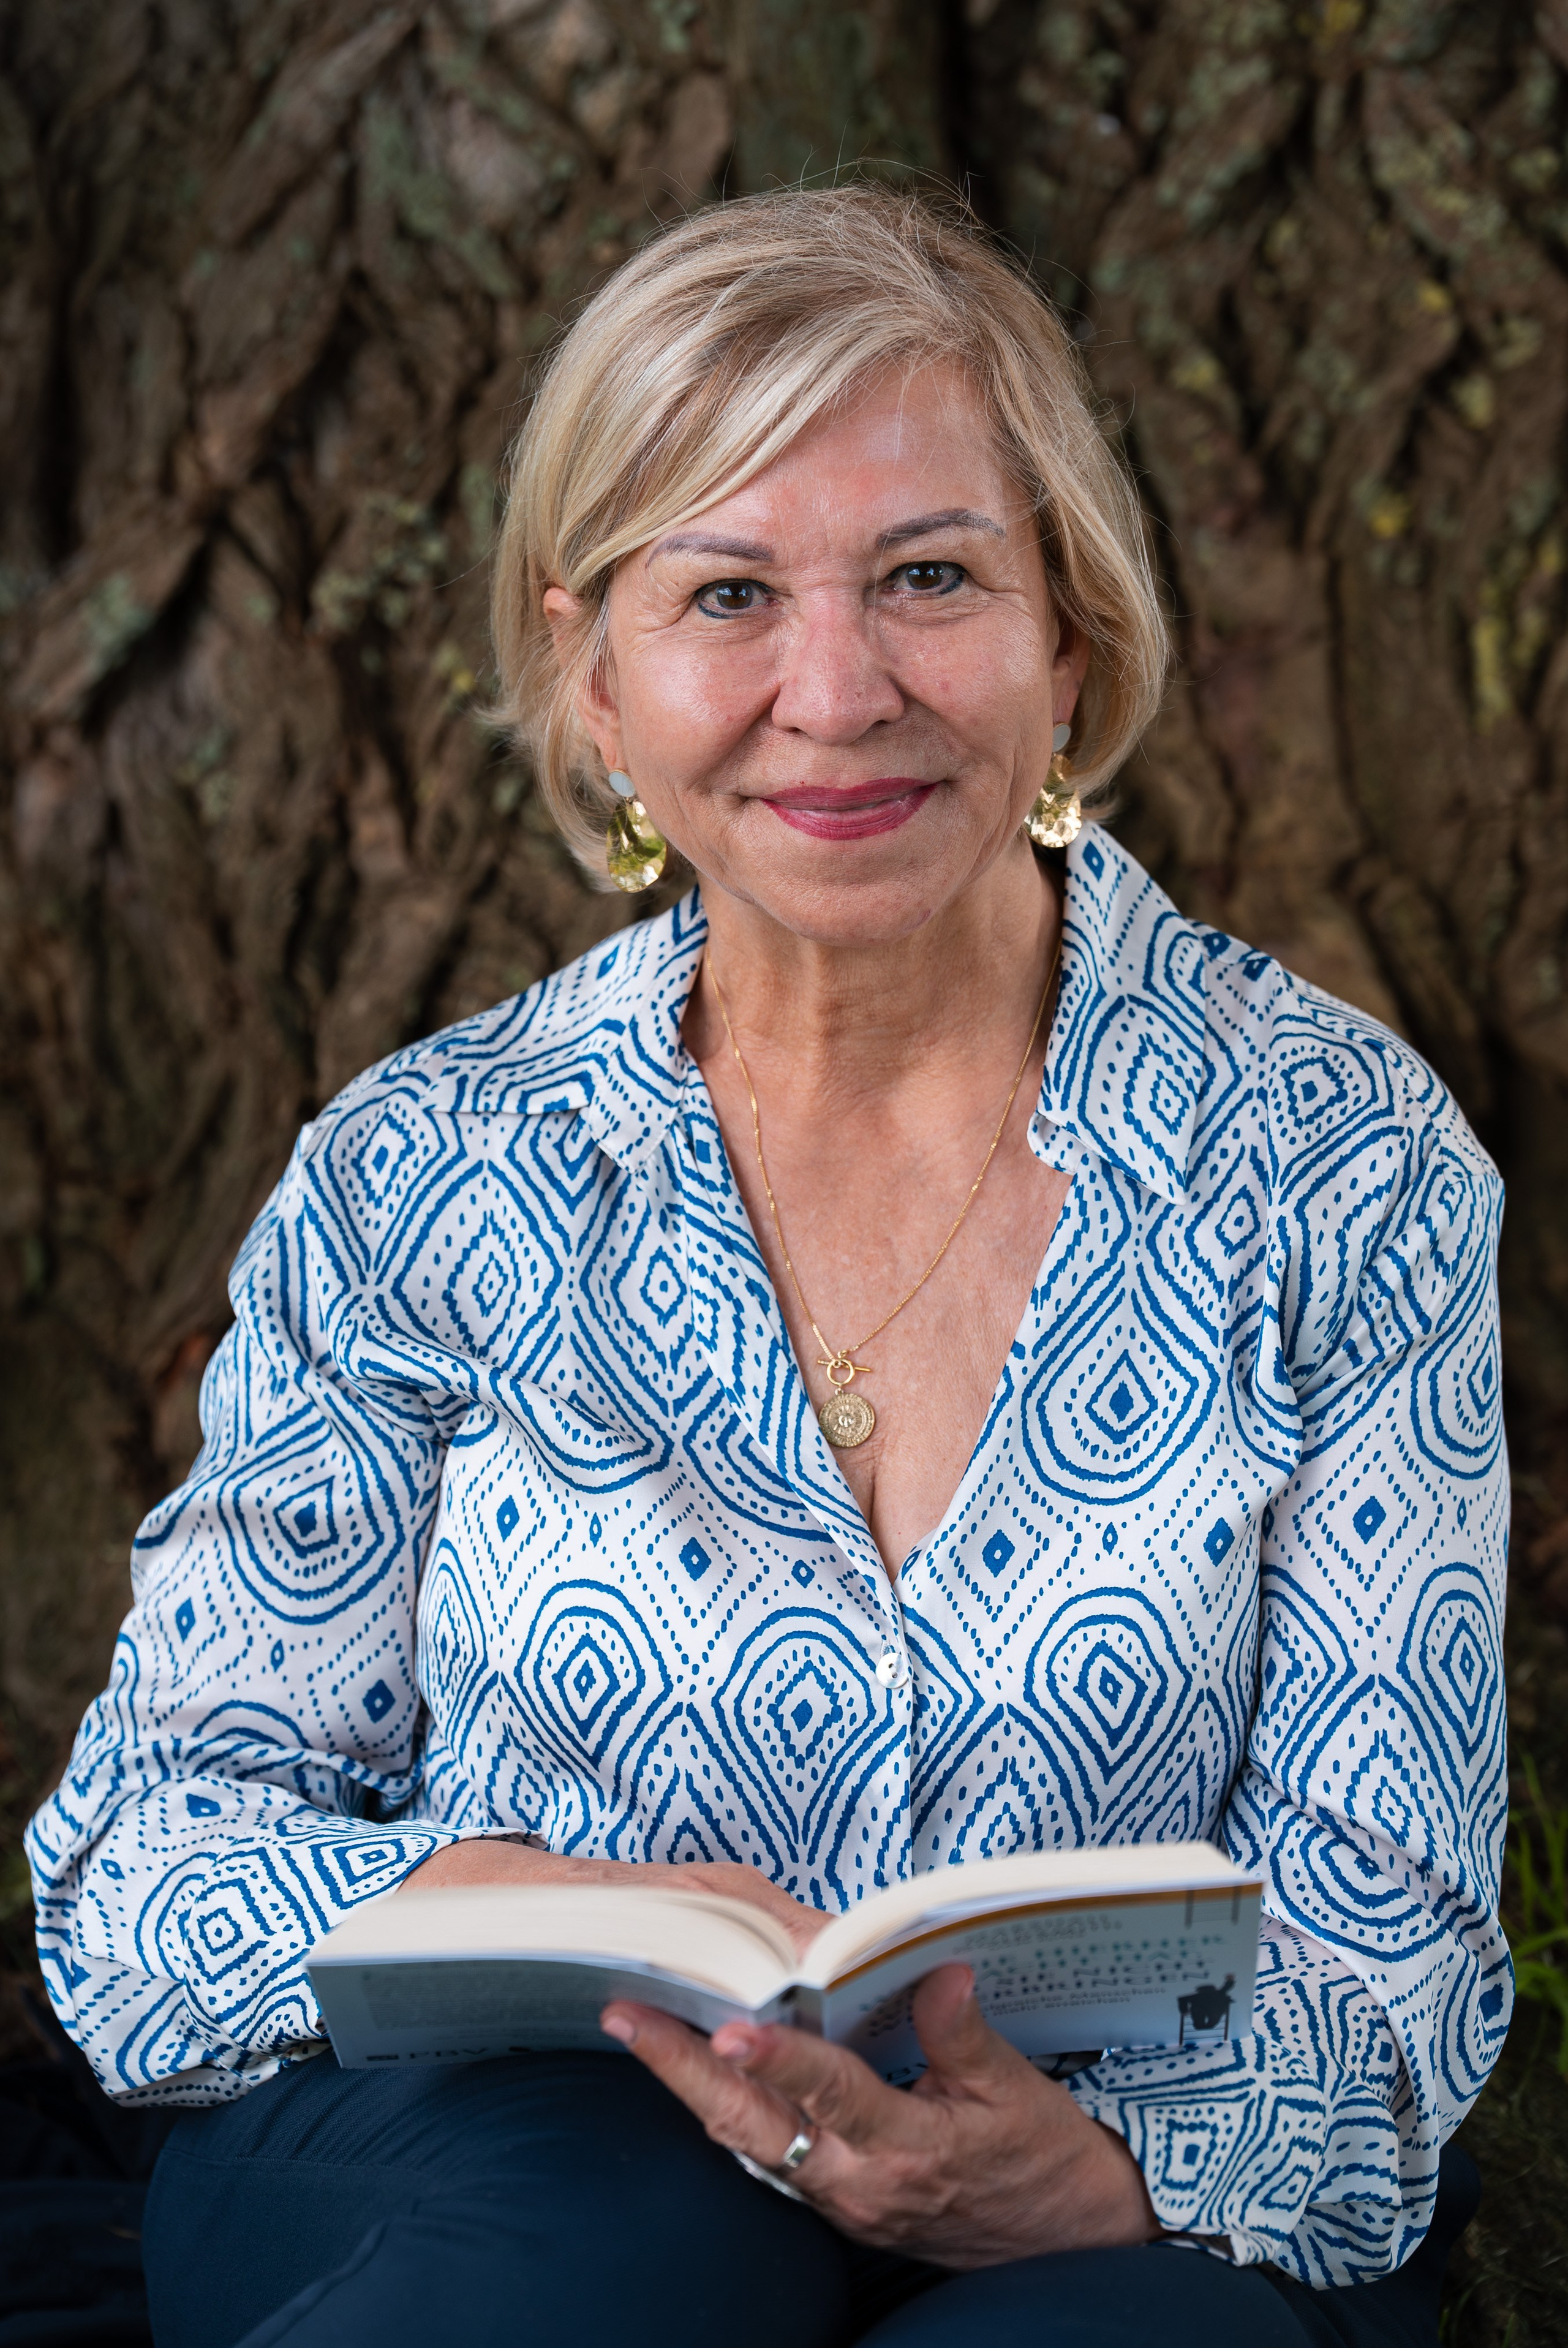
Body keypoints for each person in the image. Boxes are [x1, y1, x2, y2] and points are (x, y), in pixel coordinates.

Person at [26, 186, 1506, 2348]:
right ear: (592, 673)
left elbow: (1399, 1948)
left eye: (930, 577)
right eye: (728, 592)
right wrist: (514, 1900)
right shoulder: (430, 1170)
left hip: (1116, 2167)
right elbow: (146, 1861)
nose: (839, 692)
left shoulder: (1343, 1162)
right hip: (507, 2149)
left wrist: (1101, 2177)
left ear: (1070, 637)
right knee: (599, 2272)